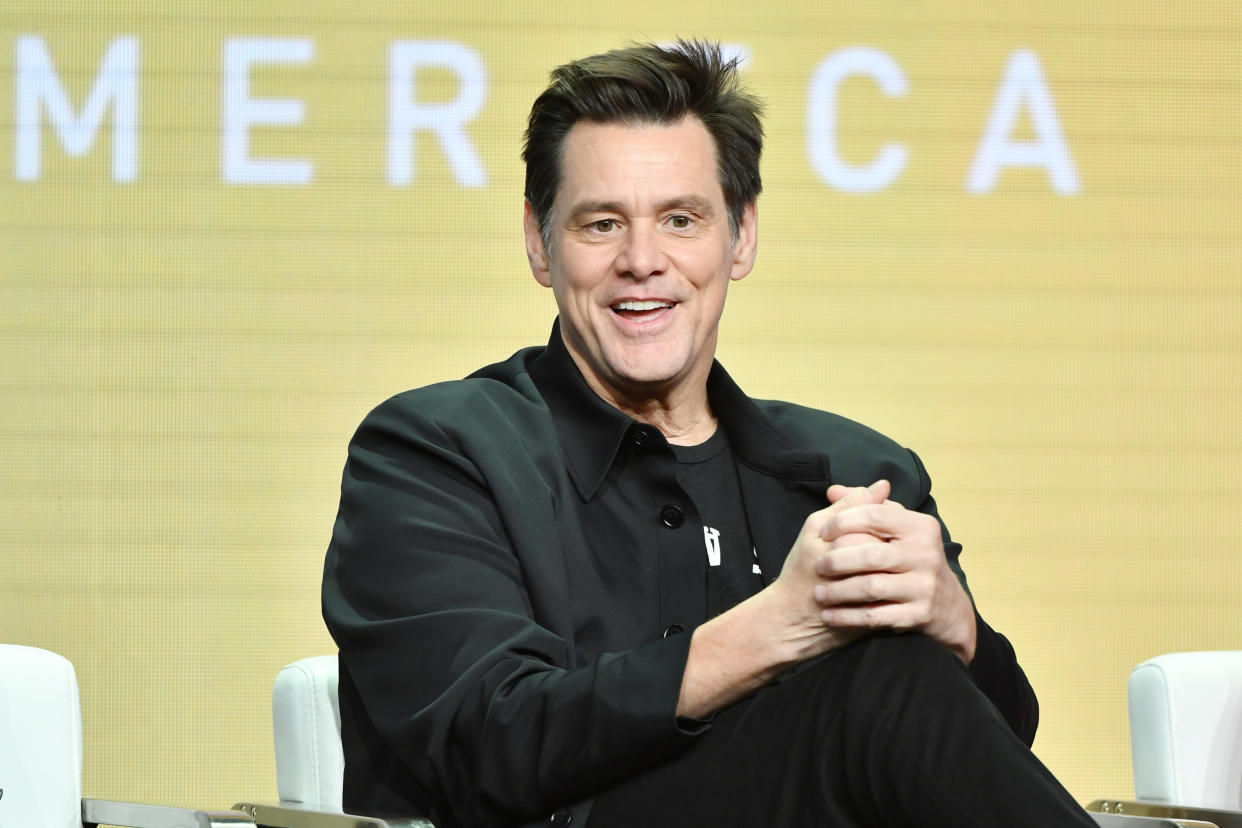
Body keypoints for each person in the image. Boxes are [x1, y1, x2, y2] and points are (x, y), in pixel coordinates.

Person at [322, 40, 1097, 828]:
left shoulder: (856, 471)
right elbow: (487, 742)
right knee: (879, 682)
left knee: (901, 672)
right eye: (601, 224)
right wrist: (771, 631)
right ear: (539, 242)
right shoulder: (434, 454)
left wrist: (959, 632)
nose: (643, 261)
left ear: (742, 236)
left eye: (681, 220)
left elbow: (975, 762)